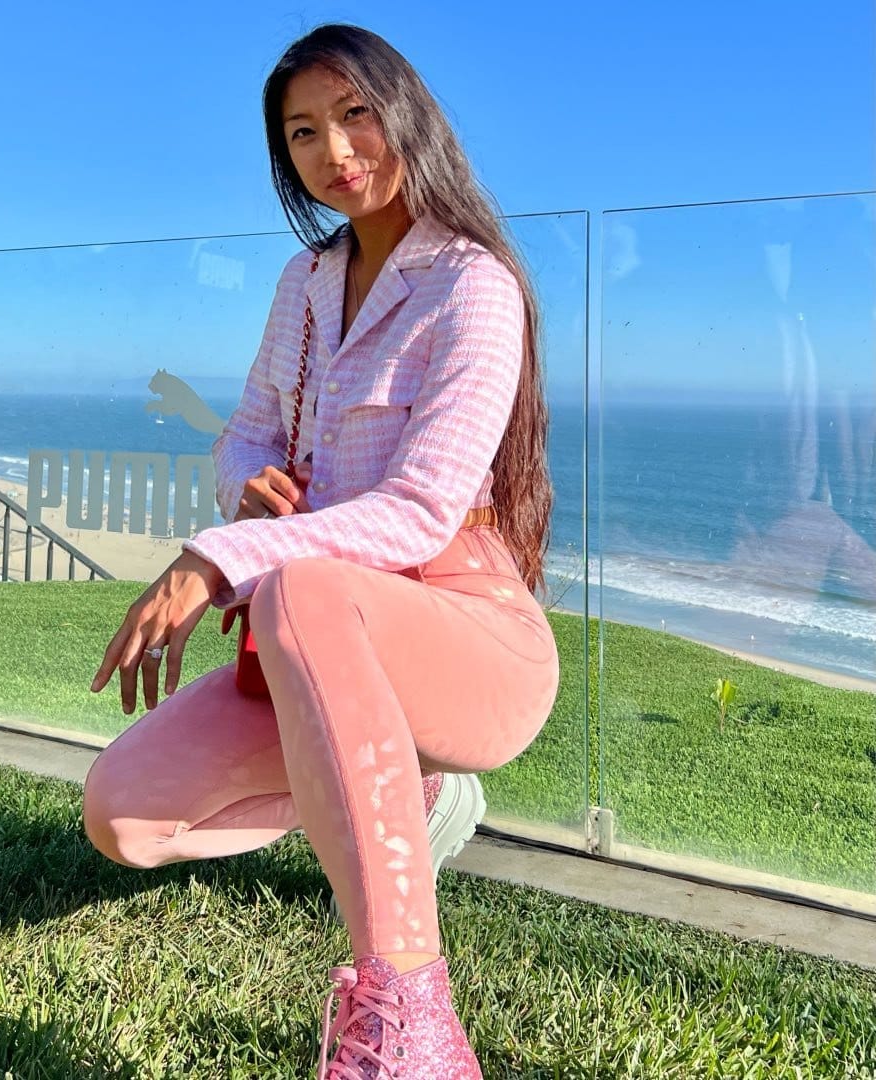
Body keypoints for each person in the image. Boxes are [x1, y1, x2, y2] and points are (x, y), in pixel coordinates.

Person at [83, 23, 560, 1079]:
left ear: (409, 116)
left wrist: (218, 557)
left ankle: (411, 1020)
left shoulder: (472, 284)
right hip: (315, 639)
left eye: (355, 115)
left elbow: (426, 508)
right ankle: (406, 795)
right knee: (123, 818)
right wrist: (242, 488)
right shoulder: (304, 282)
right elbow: (249, 429)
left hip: (465, 627)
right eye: (304, 131)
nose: (335, 150)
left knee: (297, 586)